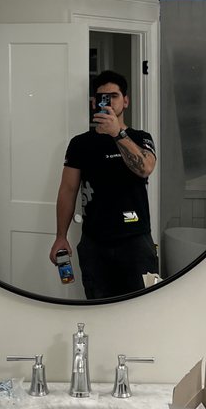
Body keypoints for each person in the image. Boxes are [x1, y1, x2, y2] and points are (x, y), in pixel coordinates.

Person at [49, 70, 159, 299]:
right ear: (94, 103)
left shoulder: (141, 137)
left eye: (114, 96)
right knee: (98, 306)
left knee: (142, 305)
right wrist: (61, 236)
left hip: (136, 239)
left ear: (125, 101)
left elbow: (145, 168)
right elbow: (68, 190)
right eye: (102, 97)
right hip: (94, 242)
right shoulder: (80, 144)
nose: (108, 102)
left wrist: (117, 133)